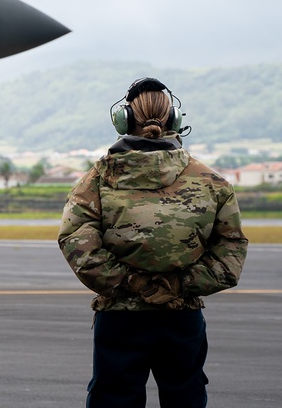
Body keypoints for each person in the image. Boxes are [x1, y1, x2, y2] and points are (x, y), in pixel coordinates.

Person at [57, 77, 248, 408]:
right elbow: (230, 252)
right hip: (181, 316)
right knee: (185, 396)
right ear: (175, 120)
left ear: (124, 121)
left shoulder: (97, 179)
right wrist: (178, 284)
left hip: (120, 317)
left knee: (114, 398)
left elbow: (77, 243)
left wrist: (131, 283)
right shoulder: (212, 182)